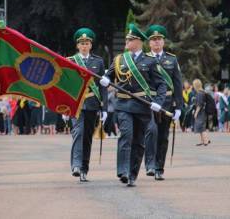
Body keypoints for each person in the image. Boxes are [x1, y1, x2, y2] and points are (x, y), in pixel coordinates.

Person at [100, 23, 167, 187]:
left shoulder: (149, 61)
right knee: (126, 135)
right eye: (127, 39)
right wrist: (105, 80)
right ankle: (122, 170)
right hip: (123, 105)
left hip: (143, 107)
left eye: (130, 39)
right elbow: (107, 77)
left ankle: (132, 174)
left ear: (138, 42)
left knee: (138, 141)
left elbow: (161, 85)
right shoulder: (119, 59)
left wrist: (158, 102)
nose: (127, 41)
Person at [67, 27, 107, 182]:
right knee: (78, 132)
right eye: (81, 43)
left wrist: (104, 108)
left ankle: (84, 168)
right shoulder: (70, 61)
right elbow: (66, 84)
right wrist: (64, 107)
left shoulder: (98, 61)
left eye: (87, 43)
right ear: (77, 45)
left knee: (87, 137)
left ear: (91, 45)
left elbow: (102, 85)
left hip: (92, 103)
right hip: (75, 103)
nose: (84, 46)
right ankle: (76, 165)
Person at [143, 25, 183, 180]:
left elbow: (178, 84)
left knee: (163, 136)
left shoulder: (171, 59)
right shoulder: (144, 58)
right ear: (149, 42)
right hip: (148, 103)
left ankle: (159, 167)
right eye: (153, 40)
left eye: (159, 39)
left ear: (163, 41)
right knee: (150, 132)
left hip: (166, 103)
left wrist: (179, 107)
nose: (156, 42)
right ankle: (150, 165)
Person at [193, 79, 211, 146]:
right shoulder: (202, 92)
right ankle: (202, 141)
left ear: (196, 85)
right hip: (202, 112)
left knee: (202, 127)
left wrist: (196, 113)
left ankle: (206, 141)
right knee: (200, 127)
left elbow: (199, 105)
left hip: (201, 112)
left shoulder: (200, 93)